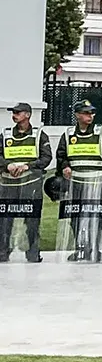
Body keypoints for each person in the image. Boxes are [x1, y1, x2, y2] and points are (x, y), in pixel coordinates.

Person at [56, 99, 102, 262]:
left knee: (96, 216)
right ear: (77, 115)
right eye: (86, 113)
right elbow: (61, 155)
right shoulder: (68, 134)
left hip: (96, 183)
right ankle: (79, 248)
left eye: (91, 113)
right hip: (76, 182)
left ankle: (94, 248)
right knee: (75, 217)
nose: (90, 116)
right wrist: (65, 166)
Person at [0, 102, 52, 263]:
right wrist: (7, 165)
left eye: (18, 112)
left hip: (31, 184)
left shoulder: (39, 135)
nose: (14, 115)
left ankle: (33, 252)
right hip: (8, 185)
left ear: (27, 115)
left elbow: (46, 158)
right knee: (4, 221)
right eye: (13, 112)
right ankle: (3, 252)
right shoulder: (6, 134)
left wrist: (27, 166)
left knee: (32, 220)